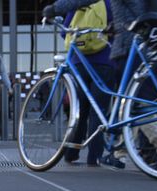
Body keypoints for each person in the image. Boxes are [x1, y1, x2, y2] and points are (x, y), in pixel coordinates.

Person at [45, 0, 157, 170]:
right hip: (143, 43)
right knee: (128, 105)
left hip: (128, 45)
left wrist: (54, 8)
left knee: (134, 103)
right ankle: (119, 154)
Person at [59, 1, 114, 166]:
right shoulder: (110, 4)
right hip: (105, 61)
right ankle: (94, 157)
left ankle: (71, 153)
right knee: (98, 111)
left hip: (79, 62)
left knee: (78, 111)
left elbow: (65, 32)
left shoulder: (79, 3)